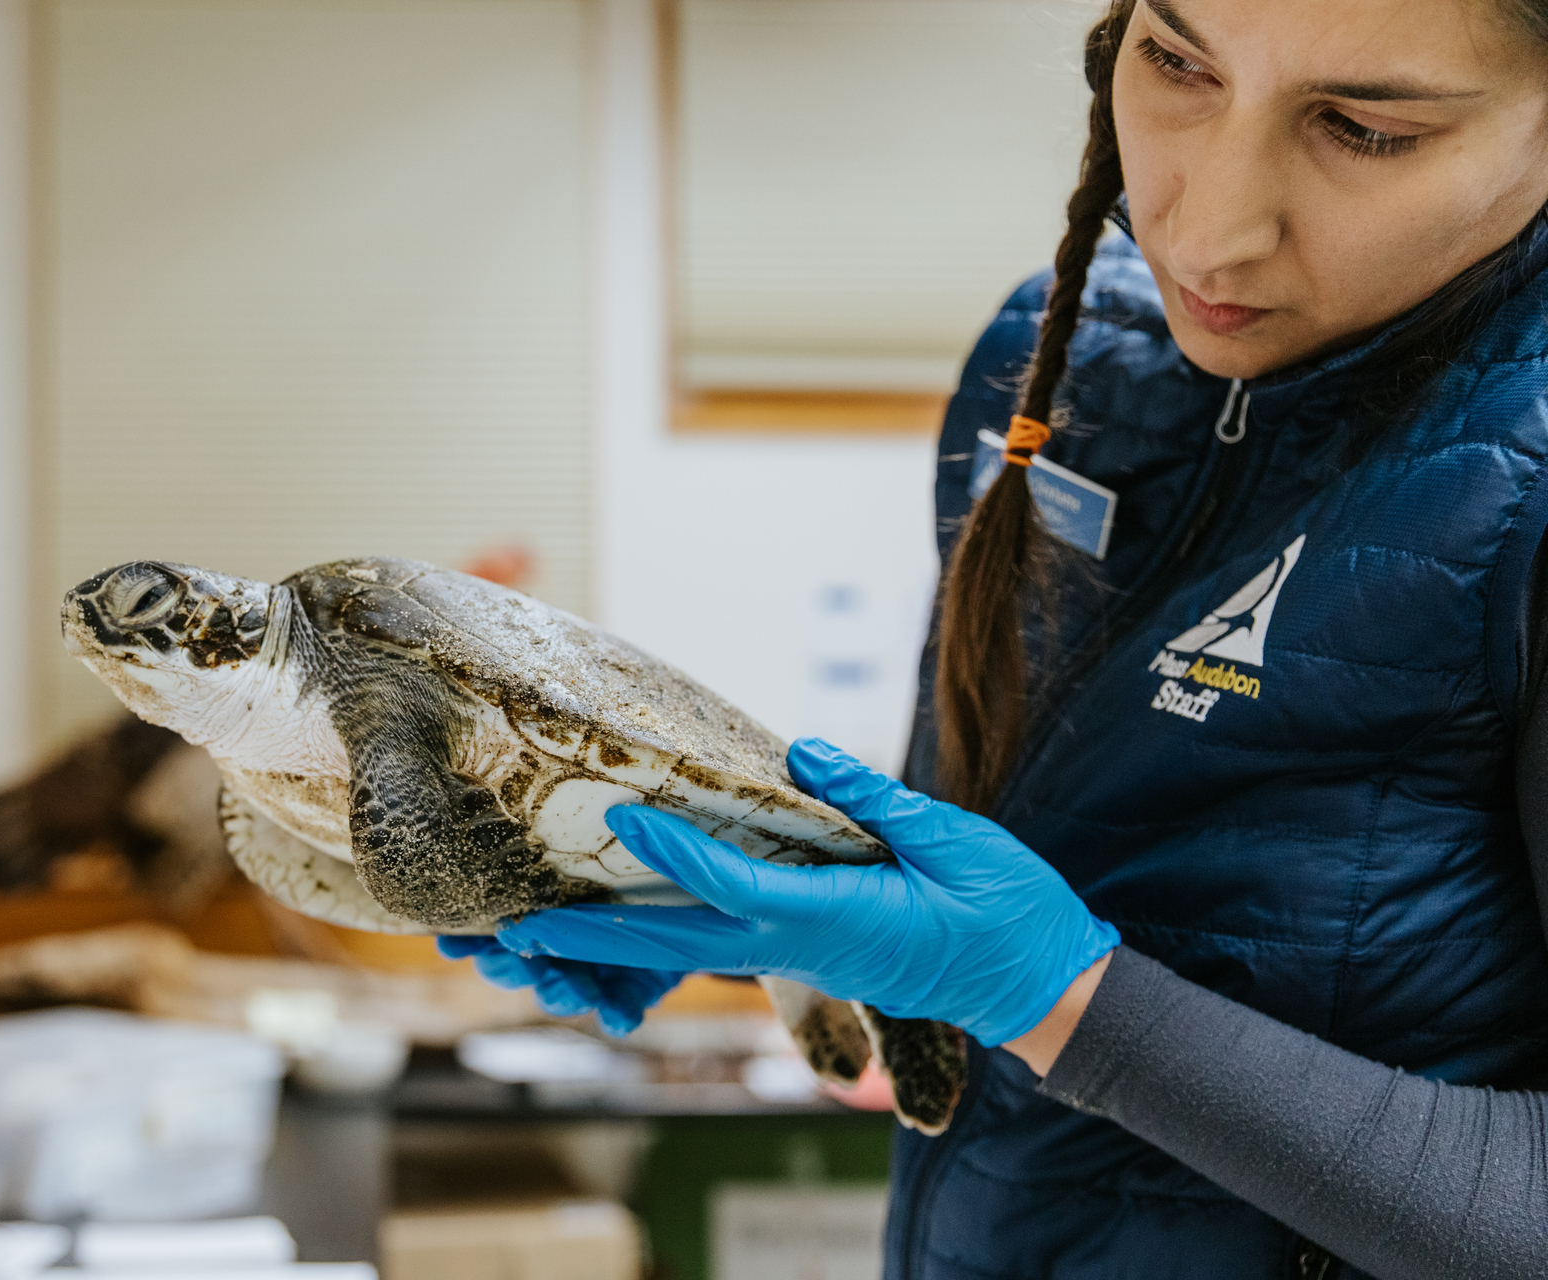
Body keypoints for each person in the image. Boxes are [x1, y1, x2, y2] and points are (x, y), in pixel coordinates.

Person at [444, 0, 1548, 1275]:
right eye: (1177, 62)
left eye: (1361, 127)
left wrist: (1060, 1000)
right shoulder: (1065, 355)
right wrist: (773, 930)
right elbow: (1008, 880)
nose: (1206, 226)